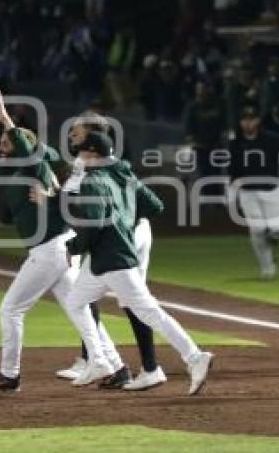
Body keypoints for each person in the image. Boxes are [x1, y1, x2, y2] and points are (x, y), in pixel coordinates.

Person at [0, 95, 123, 391]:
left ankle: (10, 374)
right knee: (79, 307)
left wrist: (7, 121)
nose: (1, 148)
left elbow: (24, 147)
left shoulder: (33, 165)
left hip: (50, 249)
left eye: (5, 144)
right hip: (57, 248)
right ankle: (112, 364)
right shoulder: (19, 170)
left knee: (10, 309)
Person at [60, 130, 214, 395]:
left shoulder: (93, 180)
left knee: (148, 311)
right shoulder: (124, 176)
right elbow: (155, 206)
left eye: (83, 152)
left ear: (93, 153)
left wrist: (73, 247)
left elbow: (93, 223)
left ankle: (195, 357)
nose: (79, 157)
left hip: (114, 259)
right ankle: (98, 360)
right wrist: (125, 220)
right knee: (75, 301)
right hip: (105, 259)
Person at [54, 113, 168, 391]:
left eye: (77, 133)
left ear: (93, 138)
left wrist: (118, 225)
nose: (71, 137)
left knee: (129, 300)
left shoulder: (104, 164)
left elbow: (147, 204)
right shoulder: (100, 162)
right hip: (124, 232)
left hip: (125, 234)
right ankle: (96, 359)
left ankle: (152, 365)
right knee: (91, 293)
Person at [227, 103, 279, 280]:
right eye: (244, 120)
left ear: (258, 120)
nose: (248, 123)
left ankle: (276, 236)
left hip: (272, 190)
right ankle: (267, 267)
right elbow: (233, 171)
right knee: (257, 230)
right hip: (248, 193)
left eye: (251, 119)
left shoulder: (273, 139)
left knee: (278, 230)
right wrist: (232, 193)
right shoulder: (235, 144)